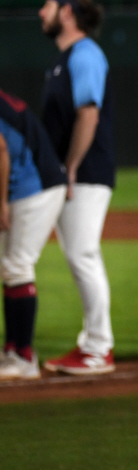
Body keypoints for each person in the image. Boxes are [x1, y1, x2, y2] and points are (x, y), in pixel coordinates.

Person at [38, 0, 116, 375]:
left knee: (83, 254)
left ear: (67, 12)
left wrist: (70, 166)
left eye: (47, 6)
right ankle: (92, 342)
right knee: (78, 255)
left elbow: (89, 113)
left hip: (84, 171)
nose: (41, 12)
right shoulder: (64, 58)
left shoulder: (84, 54)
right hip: (72, 171)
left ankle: (99, 348)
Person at [0, 89, 67, 379]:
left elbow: (0, 149)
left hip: (36, 186)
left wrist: (0, 201)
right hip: (27, 182)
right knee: (9, 267)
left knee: (17, 265)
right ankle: (12, 351)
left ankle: (24, 357)